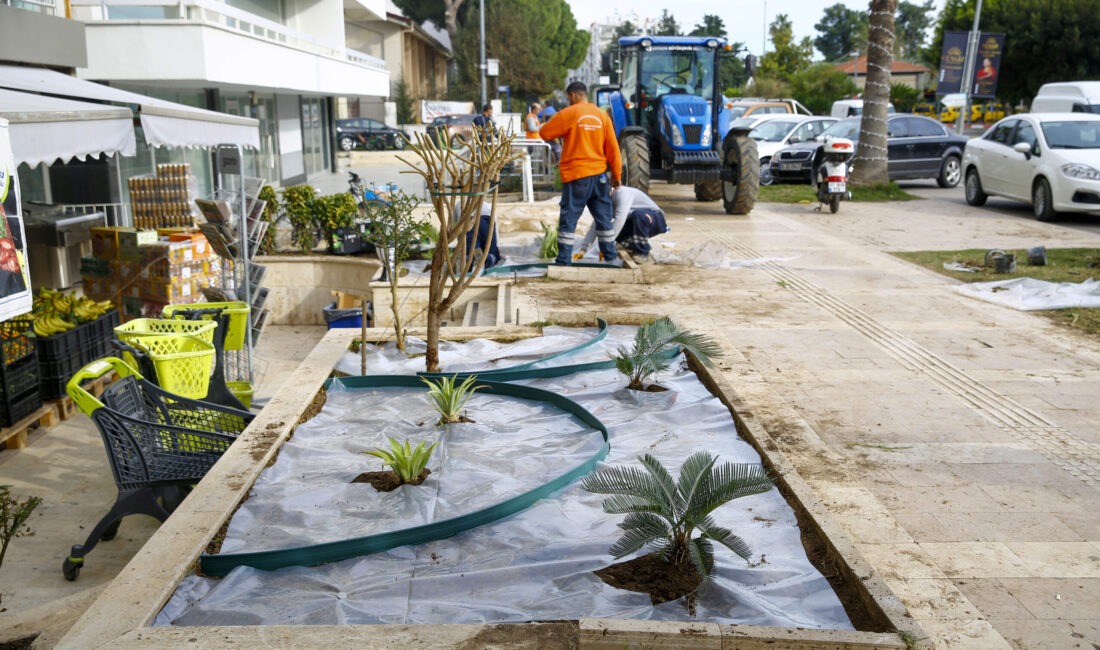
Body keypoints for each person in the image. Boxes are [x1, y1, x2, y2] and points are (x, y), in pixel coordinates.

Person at [539, 81, 622, 266]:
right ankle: (611, 259)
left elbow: (544, 133)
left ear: (573, 95)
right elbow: (613, 149)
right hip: (600, 177)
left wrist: (565, 132)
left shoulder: (568, 114)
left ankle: (563, 261)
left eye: (569, 98)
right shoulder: (602, 116)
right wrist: (617, 176)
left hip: (577, 177)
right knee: (604, 221)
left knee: (569, 221)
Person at [574, 186, 669, 261]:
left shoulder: (621, 193)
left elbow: (620, 219)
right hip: (635, 222)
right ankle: (633, 247)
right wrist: (583, 250)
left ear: (609, 193)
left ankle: (642, 252)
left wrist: (607, 246)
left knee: (638, 215)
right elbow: (596, 225)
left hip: (655, 218)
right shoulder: (604, 203)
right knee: (609, 229)